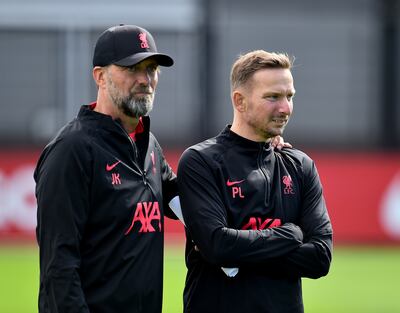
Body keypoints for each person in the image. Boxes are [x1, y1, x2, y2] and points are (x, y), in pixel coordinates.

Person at [34, 24, 179, 313]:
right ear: (100, 76)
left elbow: (192, 203)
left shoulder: (149, 144)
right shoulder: (71, 150)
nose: (145, 79)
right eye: (132, 69)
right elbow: (58, 268)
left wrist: (257, 144)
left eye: (151, 69)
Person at [177, 50, 333, 313]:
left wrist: (238, 248)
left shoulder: (300, 165)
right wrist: (289, 234)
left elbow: (320, 257)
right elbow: (217, 246)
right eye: (272, 97)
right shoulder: (201, 161)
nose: (285, 108)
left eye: (289, 96)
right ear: (240, 101)